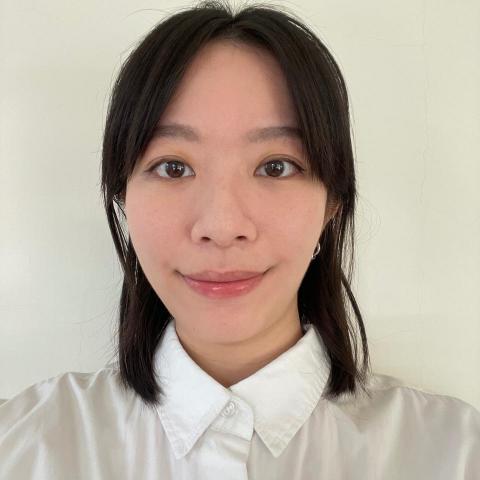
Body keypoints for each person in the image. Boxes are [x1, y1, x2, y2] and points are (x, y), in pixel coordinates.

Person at [1, 1, 479, 478]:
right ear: (123, 196)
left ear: (332, 201)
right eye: (173, 167)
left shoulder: (454, 453)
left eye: (276, 166)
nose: (222, 225)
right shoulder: (22, 445)